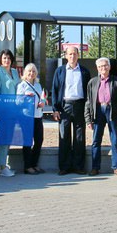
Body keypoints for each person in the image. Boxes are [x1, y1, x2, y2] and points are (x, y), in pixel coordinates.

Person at [52, 46, 91, 175]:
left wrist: (88, 109)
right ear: (66, 56)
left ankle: (79, 166)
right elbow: (55, 90)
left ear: (78, 55)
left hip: (80, 105)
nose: (72, 56)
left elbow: (88, 92)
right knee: (64, 137)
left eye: (74, 54)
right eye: (70, 54)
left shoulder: (84, 71)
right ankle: (64, 167)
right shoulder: (60, 71)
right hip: (65, 107)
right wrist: (55, 109)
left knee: (79, 137)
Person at [85, 57, 117, 176]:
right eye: (100, 66)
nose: (103, 68)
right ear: (97, 68)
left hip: (112, 112)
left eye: (105, 65)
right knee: (96, 141)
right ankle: (95, 167)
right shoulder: (92, 82)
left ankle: (116, 167)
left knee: (115, 140)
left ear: (109, 67)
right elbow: (88, 101)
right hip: (98, 112)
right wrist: (88, 119)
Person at [0, 49, 20, 177]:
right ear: (1, 60)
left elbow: (19, 87)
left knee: (9, 137)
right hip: (2, 111)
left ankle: (4, 164)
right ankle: (1, 166)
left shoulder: (14, 72)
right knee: (3, 138)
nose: (6, 60)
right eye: (4, 58)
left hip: (13, 110)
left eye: (8, 58)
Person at [17, 63, 46, 175]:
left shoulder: (38, 85)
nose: (31, 73)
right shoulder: (22, 85)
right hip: (27, 116)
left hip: (38, 115)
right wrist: (25, 97)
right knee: (28, 141)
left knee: (39, 140)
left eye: (33, 71)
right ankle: (27, 166)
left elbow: (42, 97)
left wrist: (42, 102)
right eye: (29, 71)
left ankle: (34, 164)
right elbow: (17, 101)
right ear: (25, 73)